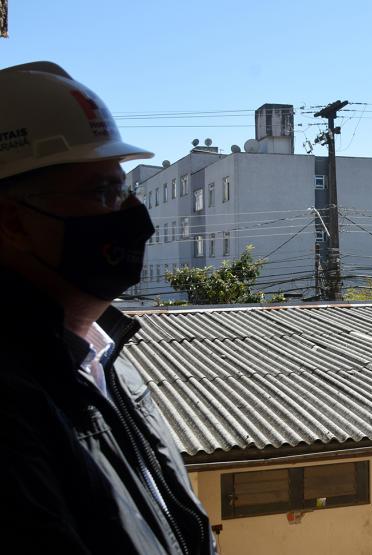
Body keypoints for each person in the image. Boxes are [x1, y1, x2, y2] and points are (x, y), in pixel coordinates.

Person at [0, 61, 215, 554]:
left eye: (123, 189)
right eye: (101, 193)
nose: (130, 216)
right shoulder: (13, 401)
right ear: (12, 220)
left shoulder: (105, 361)